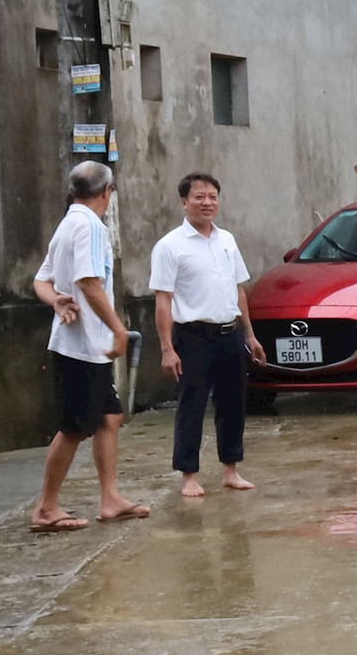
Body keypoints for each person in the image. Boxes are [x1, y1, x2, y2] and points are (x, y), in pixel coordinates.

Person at [30, 161, 151, 531]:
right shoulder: (90, 227)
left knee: (109, 417)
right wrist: (118, 329)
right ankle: (46, 508)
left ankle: (110, 498)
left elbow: (42, 280)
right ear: (106, 193)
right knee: (74, 428)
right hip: (80, 345)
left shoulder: (68, 223)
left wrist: (55, 300)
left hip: (87, 345)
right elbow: (88, 282)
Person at [150, 172, 267, 499]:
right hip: (192, 336)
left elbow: (238, 289)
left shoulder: (227, 239)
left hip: (230, 334)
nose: (207, 202)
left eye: (212, 196)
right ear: (184, 202)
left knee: (233, 403)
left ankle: (231, 470)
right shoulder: (170, 246)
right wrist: (166, 347)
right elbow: (163, 300)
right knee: (192, 404)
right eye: (199, 197)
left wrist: (250, 335)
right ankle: (189, 475)